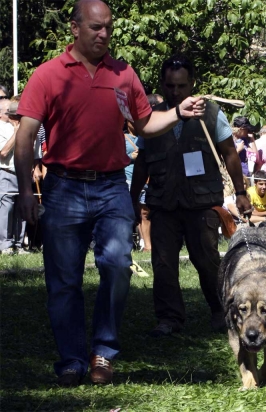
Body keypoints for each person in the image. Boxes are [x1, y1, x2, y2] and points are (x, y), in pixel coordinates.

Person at [14, 0, 207, 387]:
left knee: (118, 265)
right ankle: (71, 359)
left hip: (111, 186)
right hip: (63, 185)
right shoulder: (48, 75)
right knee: (63, 280)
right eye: (95, 28)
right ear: (75, 28)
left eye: (108, 29)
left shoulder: (123, 73)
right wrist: (26, 193)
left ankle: (103, 350)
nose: (103, 35)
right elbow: (24, 140)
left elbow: (146, 123)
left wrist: (179, 112)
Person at [129, 55, 251, 338]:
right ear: (162, 84)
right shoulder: (152, 116)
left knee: (207, 260)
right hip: (162, 202)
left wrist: (241, 191)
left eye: (182, 86)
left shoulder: (211, 113)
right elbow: (142, 161)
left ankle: (222, 311)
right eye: (170, 86)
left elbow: (230, 154)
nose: (176, 92)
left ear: (193, 83)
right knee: (163, 263)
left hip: (201, 203)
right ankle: (169, 319)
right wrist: (133, 198)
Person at [0, 100, 26, 254]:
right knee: (6, 209)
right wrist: (17, 133)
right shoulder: (2, 128)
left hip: (22, 174)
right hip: (7, 172)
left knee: (21, 209)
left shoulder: (23, 127)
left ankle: (19, 243)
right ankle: (5, 244)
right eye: (10, 111)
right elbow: (3, 153)